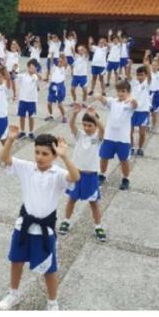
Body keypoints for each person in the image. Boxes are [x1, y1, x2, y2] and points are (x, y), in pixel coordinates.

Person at [0, 127, 80, 311]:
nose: (39, 157)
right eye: (37, 152)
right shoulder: (28, 168)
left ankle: (52, 302)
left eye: (45, 154)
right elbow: (5, 159)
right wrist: (10, 140)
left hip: (45, 229)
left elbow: (75, 177)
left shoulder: (58, 173)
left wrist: (65, 157)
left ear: (54, 155)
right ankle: (13, 294)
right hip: (24, 225)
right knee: (16, 261)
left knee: (49, 269)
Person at [59, 103, 106, 241]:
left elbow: (102, 128)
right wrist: (74, 114)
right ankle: (66, 221)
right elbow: (72, 125)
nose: (86, 127)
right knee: (71, 199)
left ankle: (98, 226)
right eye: (84, 125)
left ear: (95, 126)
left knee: (94, 203)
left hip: (91, 176)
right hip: (77, 174)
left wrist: (94, 116)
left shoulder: (98, 138)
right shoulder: (80, 135)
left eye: (89, 125)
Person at [94, 80, 137, 191]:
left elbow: (135, 105)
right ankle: (102, 175)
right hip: (109, 137)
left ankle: (125, 178)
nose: (121, 93)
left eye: (123, 91)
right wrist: (99, 96)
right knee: (103, 157)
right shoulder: (113, 101)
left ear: (128, 92)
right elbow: (104, 100)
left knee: (124, 160)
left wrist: (132, 99)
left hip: (123, 139)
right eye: (118, 91)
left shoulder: (129, 103)